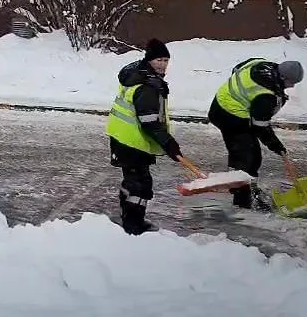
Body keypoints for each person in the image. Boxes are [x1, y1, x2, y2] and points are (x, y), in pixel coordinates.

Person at [106, 38, 193, 235]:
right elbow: (150, 122)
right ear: (149, 60)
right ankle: (133, 225)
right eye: (158, 60)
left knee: (133, 180)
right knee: (140, 184)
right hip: (131, 141)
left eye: (166, 60)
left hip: (125, 138)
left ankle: (128, 217)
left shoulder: (140, 76)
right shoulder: (147, 86)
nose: (162, 64)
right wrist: (169, 144)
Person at [207, 57, 303, 210]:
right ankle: (242, 200)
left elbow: (237, 68)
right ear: (283, 77)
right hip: (229, 115)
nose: (292, 86)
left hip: (223, 103)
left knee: (253, 154)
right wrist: (277, 146)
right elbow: (261, 127)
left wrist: (241, 96)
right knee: (246, 155)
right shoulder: (266, 95)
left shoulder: (259, 63)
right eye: (292, 82)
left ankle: (249, 188)